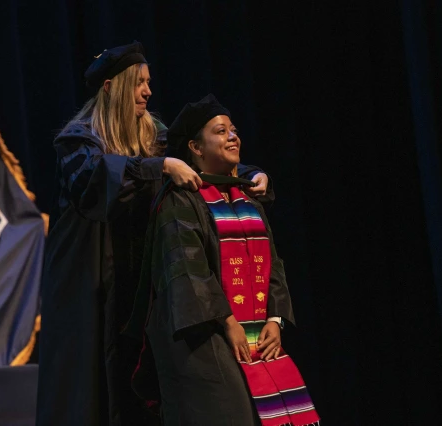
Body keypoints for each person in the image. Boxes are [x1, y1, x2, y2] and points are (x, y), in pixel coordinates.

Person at [36, 43, 273, 426]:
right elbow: (94, 182)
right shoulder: (77, 139)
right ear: (113, 87)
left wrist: (247, 174)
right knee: (92, 383)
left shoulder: (155, 132)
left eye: (149, 83)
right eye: (139, 83)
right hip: (91, 275)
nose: (148, 91)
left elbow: (199, 157)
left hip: (141, 270)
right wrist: (160, 166)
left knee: (144, 375)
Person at [128, 94, 320, 425]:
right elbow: (187, 270)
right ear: (196, 148)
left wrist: (275, 319)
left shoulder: (246, 198)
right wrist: (228, 322)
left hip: (251, 331)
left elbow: (273, 262)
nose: (233, 136)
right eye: (220, 131)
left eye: (233, 129)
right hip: (201, 336)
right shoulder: (180, 201)